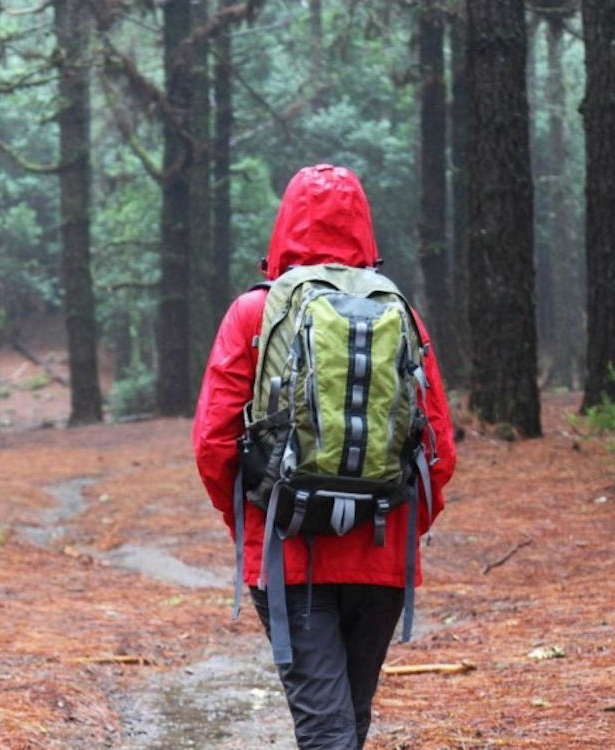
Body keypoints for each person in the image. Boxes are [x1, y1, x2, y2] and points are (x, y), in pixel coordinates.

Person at [192, 163, 457, 749]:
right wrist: (397, 528)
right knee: (346, 723)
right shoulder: (401, 314)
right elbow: (438, 449)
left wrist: (256, 522)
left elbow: (213, 441)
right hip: (382, 552)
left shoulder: (254, 314)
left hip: (289, 552)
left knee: (326, 728)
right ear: (365, 228)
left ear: (282, 225)